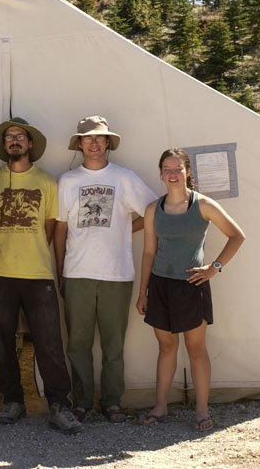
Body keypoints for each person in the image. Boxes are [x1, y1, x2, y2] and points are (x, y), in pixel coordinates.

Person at [53, 115, 157, 424]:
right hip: (77, 274)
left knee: (114, 345)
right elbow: (60, 229)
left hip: (116, 274)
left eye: (100, 138)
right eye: (87, 138)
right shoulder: (68, 181)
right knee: (77, 344)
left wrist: (127, 228)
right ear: (80, 143)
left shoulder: (124, 178)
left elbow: (152, 212)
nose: (94, 143)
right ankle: (82, 401)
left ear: (108, 142)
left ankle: (112, 402)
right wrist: (59, 270)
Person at [0, 117, 83, 434]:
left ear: (29, 145)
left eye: (20, 137)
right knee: (2, 341)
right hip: (0, 272)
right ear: (4, 146)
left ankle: (58, 405)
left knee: (50, 341)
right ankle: (13, 401)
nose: (14, 141)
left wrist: (52, 267)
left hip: (38, 273)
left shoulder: (47, 182)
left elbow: (50, 229)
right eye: (9, 137)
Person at [136, 148, 245, 432]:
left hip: (192, 286)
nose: (173, 174)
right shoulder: (152, 209)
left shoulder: (203, 205)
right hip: (160, 285)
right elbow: (149, 252)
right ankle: (160, 408)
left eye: (178, 169)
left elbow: (237, 235)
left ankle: (201, 411)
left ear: (187, 172)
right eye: (167, 170)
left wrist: (214, 267)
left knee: (196, 349)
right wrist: (143, 291)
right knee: (166, 346)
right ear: (161, 174)